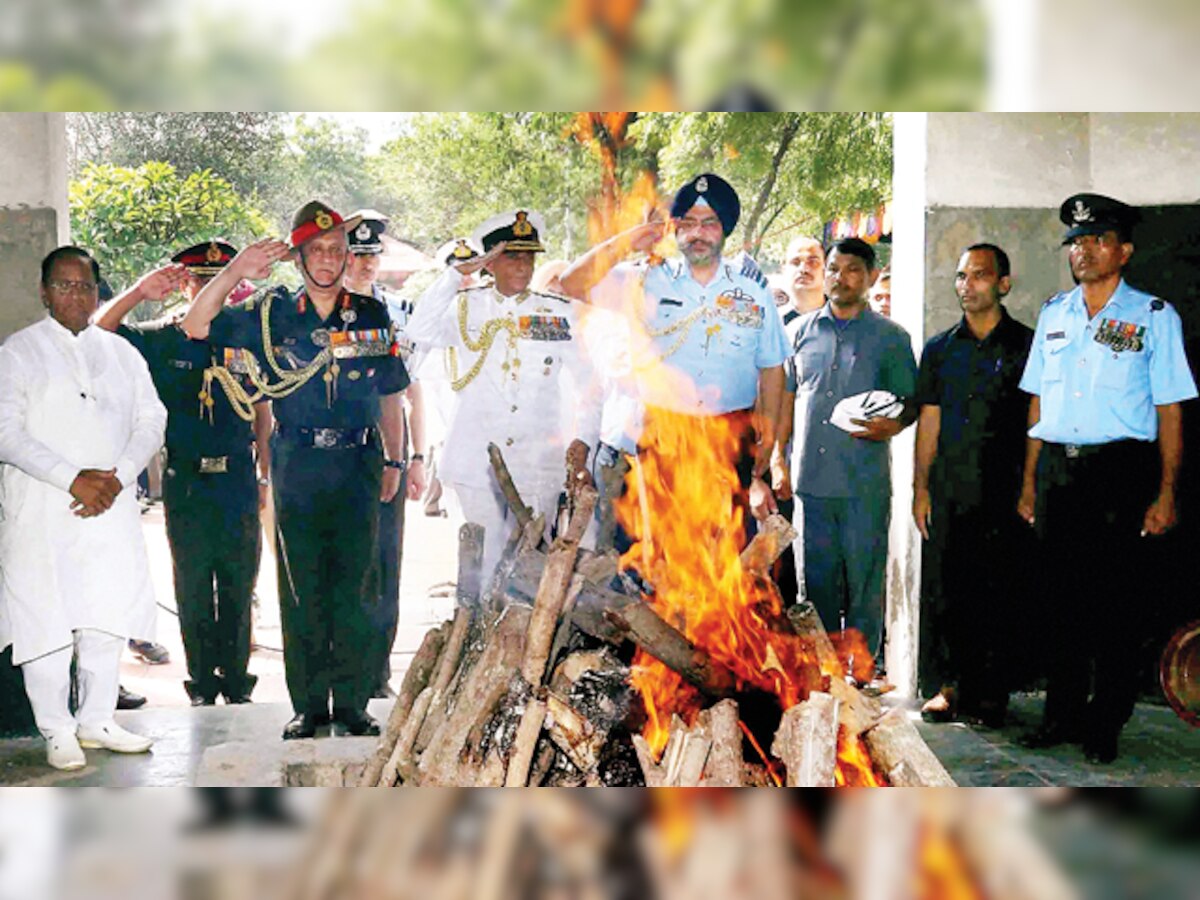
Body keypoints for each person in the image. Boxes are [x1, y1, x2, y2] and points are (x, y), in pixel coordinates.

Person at [181, 201, 409, 740]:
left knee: (355, 582)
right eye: (316, 251)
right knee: (302, 584)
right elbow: (196, 324)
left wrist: (396, 459)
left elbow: (391, 395)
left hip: (358, 459)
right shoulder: (271, 313)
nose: (328, 260)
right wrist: (237, 270)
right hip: (299, 461)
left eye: (336, 250)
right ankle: (309, 705)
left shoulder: (370, 314)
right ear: (299, 258)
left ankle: (352, 703)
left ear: (347, 255)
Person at [1016, 193, 1197, 763]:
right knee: (1058, 601)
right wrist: (1029, 483)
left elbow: (1170, 408)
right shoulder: (1054, 314)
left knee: (1115, 606)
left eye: (1096, 240)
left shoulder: (1153, 317)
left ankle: (1105, 722)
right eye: (1076, 242)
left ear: (1124, 250)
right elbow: (1037, 403)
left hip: (1121, 472)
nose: (1083, 251)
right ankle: (1062, 715)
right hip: (1060, 473)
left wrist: (1166, 492)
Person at [0, 246, 166, 770]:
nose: (77, 295)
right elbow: (5, 433)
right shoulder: (17, 352)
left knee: (105, 612)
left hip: (111, 506)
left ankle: (96, 719)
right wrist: (71, 479)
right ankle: (56, 728)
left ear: (99, 292)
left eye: (87, 285)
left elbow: (151, 418)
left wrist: (118, 476)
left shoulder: (121, 353)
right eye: (65, 285)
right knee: (44, 618)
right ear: (45, 291)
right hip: (44, 510)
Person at [559, 172, 790, 538]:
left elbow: (772, 366)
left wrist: (771, 432)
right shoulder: (645, 279)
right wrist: (628, 241)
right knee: (668, 556)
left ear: (725, 229)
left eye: (710, 223)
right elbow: (571, 282)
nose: (699, 233)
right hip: (666, 434)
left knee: (726, 551)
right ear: (675, 229)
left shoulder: (753, 290)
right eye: (689, 223)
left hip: (730, 435)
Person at [94, 240, 273, 707]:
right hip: (187, 480)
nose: (211, 289)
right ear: (186, 283)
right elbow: (100, 332)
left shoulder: (243, 334)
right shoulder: (161, 336)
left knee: (238, 584)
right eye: (201, 280)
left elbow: (262, 413)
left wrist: (265, 475)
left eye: (221, 279)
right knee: (193, 584)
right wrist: (137, 292)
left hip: (237, 476)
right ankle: (201, 683)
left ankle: (236, 682)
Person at [407, 210, 599, 582]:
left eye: (530, 257)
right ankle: (473, 636)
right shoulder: (464, 307)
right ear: (490, 263)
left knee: (530, 566)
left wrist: (583, 440)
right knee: (482, 564)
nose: (524, 266)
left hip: (536, 461)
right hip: (475, 462)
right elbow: (419, 328)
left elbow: (591, 385)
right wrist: (454, 277)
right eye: (513, 256)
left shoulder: (558, 313)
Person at [785, 237, 918, 684]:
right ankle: (820, 677)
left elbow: (910, 402)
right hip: (811, 484)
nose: (841, 278)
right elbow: (786, 401)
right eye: (834, 269)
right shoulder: (800, 333)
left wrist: (894, 425)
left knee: (863, 583)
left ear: (872, 277)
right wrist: (779, 464)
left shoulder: (890, 338)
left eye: (853, 270)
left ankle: (861, 673)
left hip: (864, 485)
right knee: (815, 585)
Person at [912, 243, 1033, 726]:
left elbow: (1036, 421)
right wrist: (921, 488)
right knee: (948, 588)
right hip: (951, 489)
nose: (968, 285)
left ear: (1003, 283)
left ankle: (993, 692)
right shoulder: (940, 349)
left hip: (1006, 489)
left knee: (1001, 590)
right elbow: (929, 422)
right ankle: (950, 688)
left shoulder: (1027, 344)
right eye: (962, 276)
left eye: (979, 275)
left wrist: (1029, 486)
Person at [344, 210, 428, 698]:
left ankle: (376, 673)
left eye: (372, 254)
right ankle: (342, 670)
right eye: (356, 254)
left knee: (384, 562)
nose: (364, 263)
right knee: (343, 562)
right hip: (340, 450)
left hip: (387, 453)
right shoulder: (325, 308)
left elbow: (412, 392)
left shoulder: (400, 313)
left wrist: (414, 459)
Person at [771, 235, 828, 604]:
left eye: (813, 260)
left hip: (834, 471)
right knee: (781, 568)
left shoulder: (850, 322)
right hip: (781, 468)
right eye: (795, 261)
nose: (804, 268)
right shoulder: (770, 328)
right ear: (783, 271)